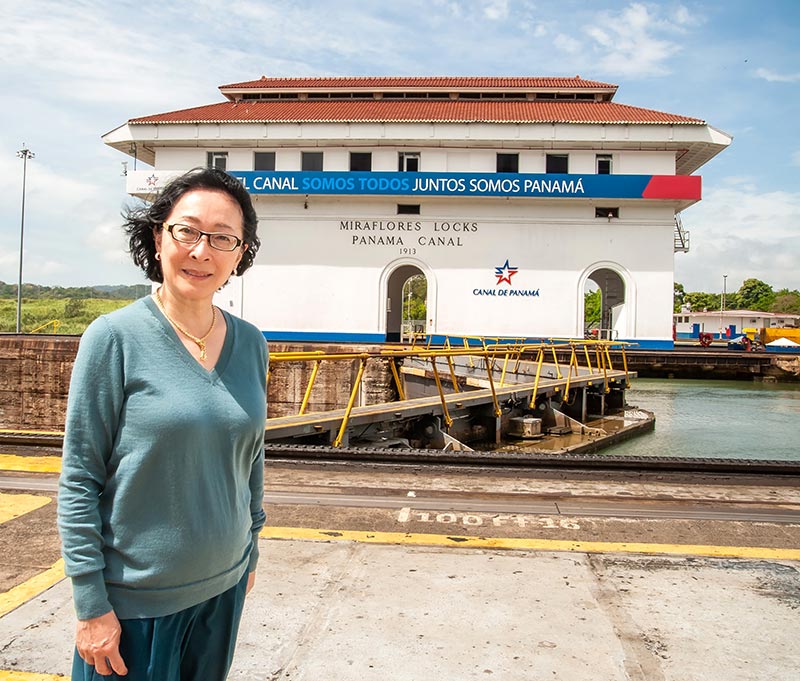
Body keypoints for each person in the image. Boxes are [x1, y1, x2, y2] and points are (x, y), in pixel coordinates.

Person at [57, 167, 267, 680]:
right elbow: (79, 479)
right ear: (157, 236)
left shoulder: (252, 343)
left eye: (223, 238)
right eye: (187, 231)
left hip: (224, 588)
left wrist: (251, 548)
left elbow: (251, 459)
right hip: (135, 606)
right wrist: (90, 604)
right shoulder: (113, 339)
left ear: (240, 254)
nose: (202, 252)